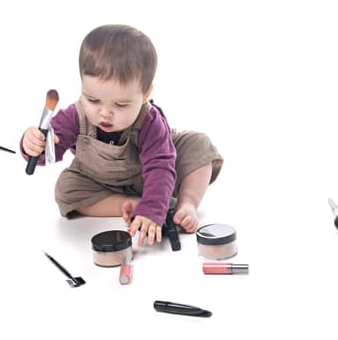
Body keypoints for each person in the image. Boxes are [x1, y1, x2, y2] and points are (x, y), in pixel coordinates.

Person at [21, 24, 223, 246]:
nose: (104, 113)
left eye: (120, 104)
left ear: (145, 95)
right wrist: (34, 145)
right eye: (93, 100)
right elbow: (50, 151)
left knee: (199, 144)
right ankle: (127, 204)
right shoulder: (75, 115)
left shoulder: (150, 121)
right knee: (65, 189)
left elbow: (160, 167)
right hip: (98, 181)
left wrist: (154, 210)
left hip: (151, 178)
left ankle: (187, 203)